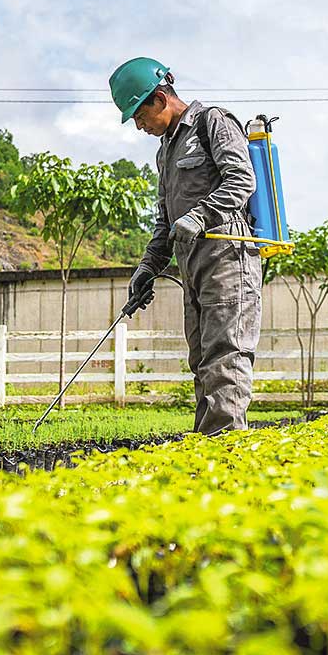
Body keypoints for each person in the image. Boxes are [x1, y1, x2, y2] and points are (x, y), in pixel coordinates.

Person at [110, 57, 263, 435]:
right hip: (191, 264)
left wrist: (200, 216)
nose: (140, 126)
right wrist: (148, 267)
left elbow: (242, 180)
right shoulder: (165, 151)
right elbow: (165, 221)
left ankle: (226, 450)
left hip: (228, 257)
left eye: (140, 115)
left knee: (226, 355)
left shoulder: (213, 122)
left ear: (160, 99)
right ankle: (207, 446)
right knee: (202, 359)